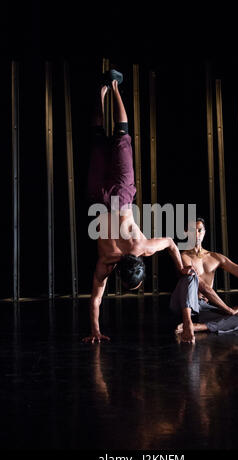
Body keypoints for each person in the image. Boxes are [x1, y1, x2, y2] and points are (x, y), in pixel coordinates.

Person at [83, 70, 201, 343]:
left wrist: (181, 267)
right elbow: (95, 299)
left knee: (122, 137)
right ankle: (105, 91)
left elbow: (171, 242)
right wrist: (95, 331)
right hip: (99, 197)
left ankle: (113, 86)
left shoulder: (141, 248)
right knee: (100, 139)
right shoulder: (105, 262)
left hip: (121, 196)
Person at [170, 217, 238, 343]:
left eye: (200, 230)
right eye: (193, 230)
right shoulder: (184, 257)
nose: (197, 234)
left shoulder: (215, 257)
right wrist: (228, 310)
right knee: (191, 276)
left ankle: (199, 327)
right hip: (185, 305)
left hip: (204, 307)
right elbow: (203, 286)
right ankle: (188, 321)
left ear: (204, 232)